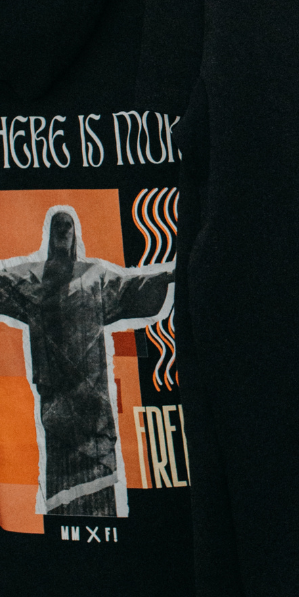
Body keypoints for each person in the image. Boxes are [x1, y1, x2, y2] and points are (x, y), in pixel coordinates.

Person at [0, 206, 174, 517]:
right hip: (57, 402)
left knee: (98, 466)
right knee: (61, 470)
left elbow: (129, 288)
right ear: (51, 234)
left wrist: (166, 277)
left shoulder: (95, 277)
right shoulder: (32, 278)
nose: (63, 231)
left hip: (92, 401)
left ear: (74, 233)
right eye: (59, 225)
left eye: (68, 225)